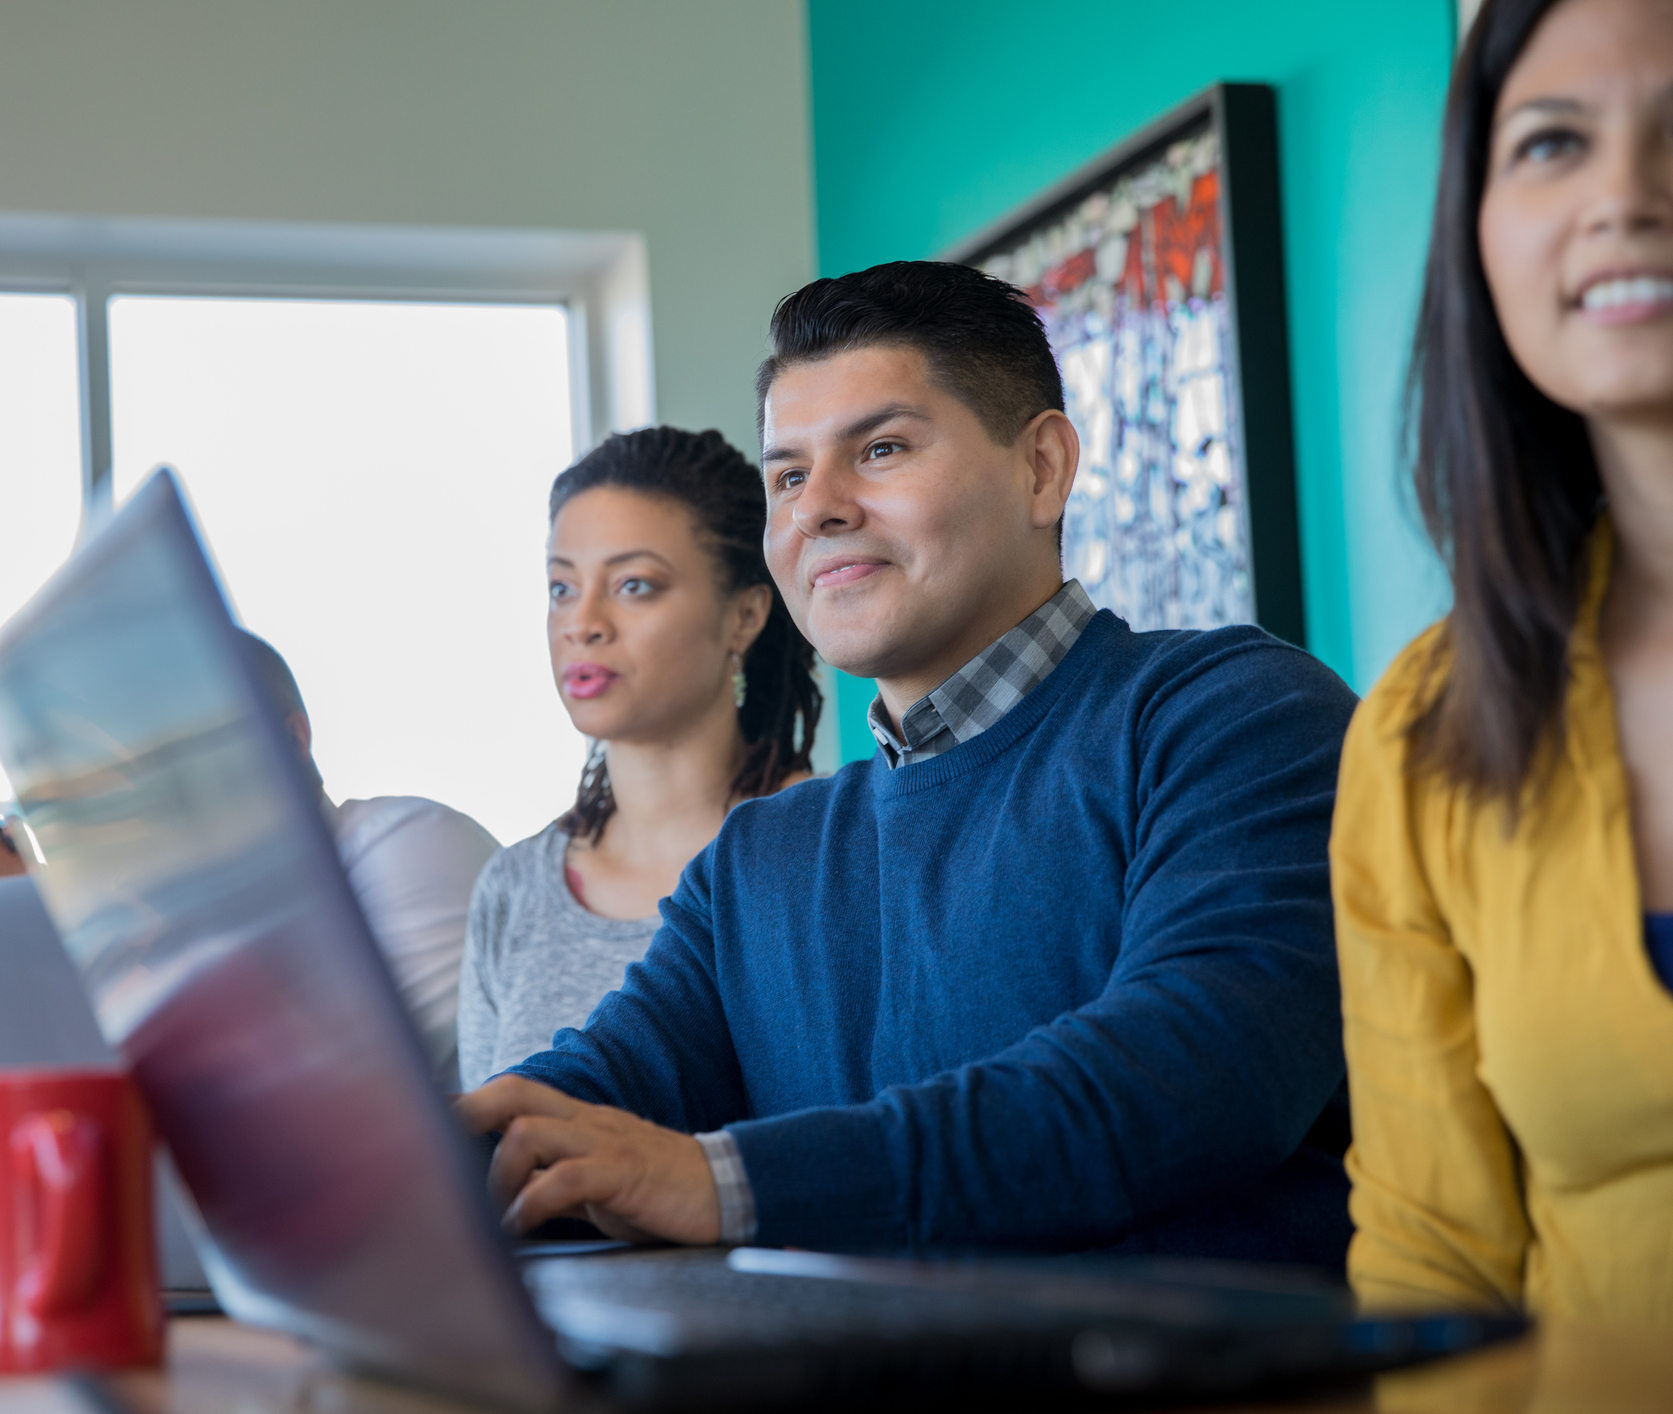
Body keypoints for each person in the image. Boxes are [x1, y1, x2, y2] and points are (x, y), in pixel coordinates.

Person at [457, 260, 1359, 1262]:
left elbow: (1195, 1074)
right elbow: (583, 1100)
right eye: (789, 474)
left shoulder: (1232, 716)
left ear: (1043, 468)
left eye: (880, 449)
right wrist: (371, 1168)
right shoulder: (759, 859)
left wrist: (724, 1180)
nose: (819, 509)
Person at [1332, 0, 1673, 1321]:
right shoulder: (1426, 724)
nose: (1624, 195)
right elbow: (1431, 1261)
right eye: (1550, 143)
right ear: (1477, 230)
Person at [0, 630, 497, 1088]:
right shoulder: (168, 920)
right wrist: (15, 932)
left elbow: (324, 1097)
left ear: (291, 743)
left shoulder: (409, 845)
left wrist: (63, 939)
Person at [455, 428, 824, 1088]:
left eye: (633, 585)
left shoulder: (830, 858)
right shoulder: (511, 892)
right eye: (561, 588)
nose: (582, 622)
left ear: (744, 616)